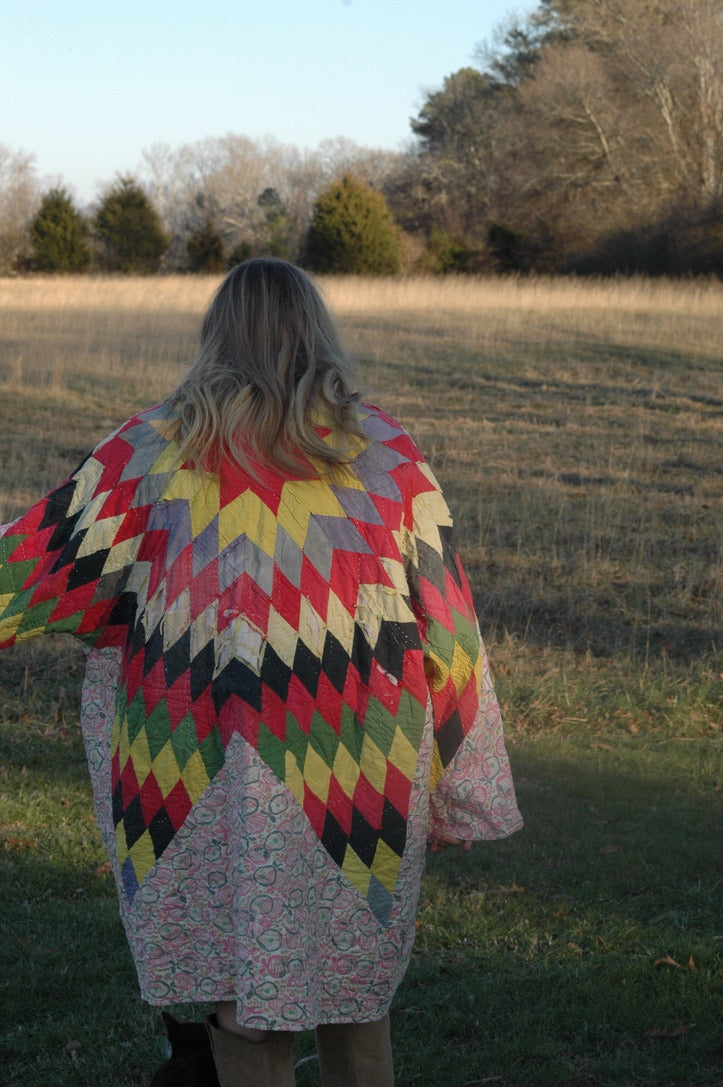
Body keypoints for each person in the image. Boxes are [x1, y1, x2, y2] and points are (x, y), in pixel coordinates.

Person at [0, 258, 522, 1086]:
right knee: (355, 1002)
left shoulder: (149, 453)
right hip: (358, 775)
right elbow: (449, 624)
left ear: (218, 336)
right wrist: (461, 786)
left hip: (182, 777)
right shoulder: (382, 452)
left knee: (239, 1010)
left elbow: (28, 569)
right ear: (318, 330)